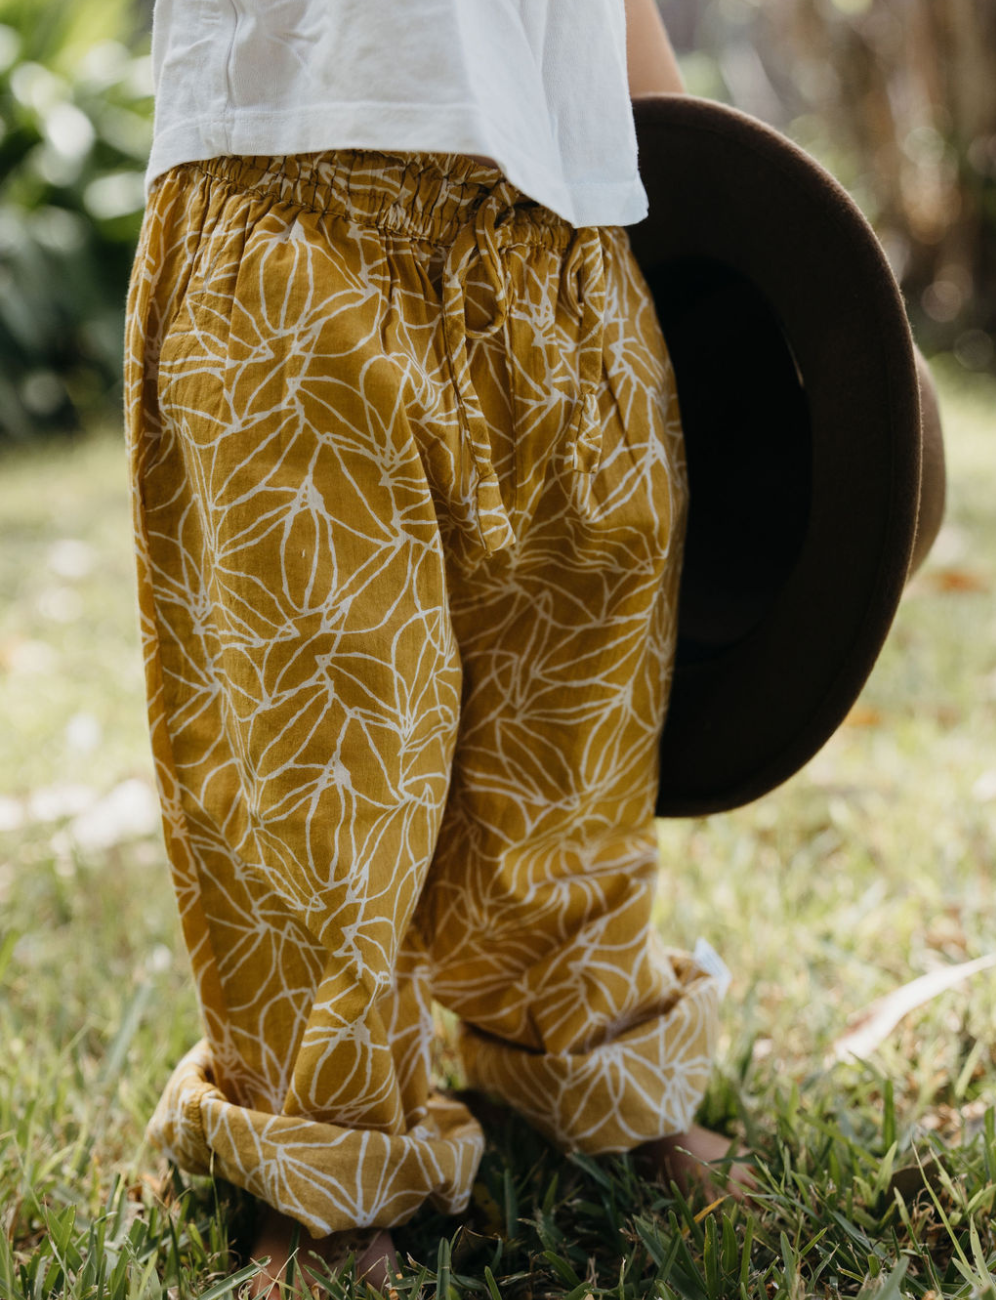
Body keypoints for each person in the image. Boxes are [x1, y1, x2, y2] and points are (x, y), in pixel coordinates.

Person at [122, 1, 755, 1294]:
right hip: (285, 178)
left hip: (562, 210)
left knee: (575, 678)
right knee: (317, 724)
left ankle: (585, 1054)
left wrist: (730, 186)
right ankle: (324, 1147)